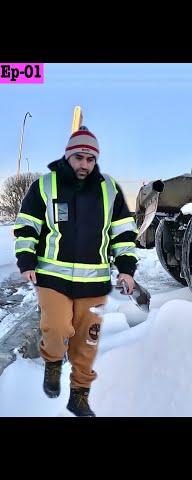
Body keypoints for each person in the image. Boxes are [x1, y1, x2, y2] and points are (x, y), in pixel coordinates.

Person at [13, 126, 138, 417]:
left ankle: (79, 395)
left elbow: (122, 234)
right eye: (79, 157)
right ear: (68, 156)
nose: (84, 164)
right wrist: (26, 261)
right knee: (56, 330)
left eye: (90, 159)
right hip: (52, 279)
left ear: (96, 161)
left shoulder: (109, 190)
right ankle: (53, 363)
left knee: (87, 341)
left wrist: (127, 270)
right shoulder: (45, 185)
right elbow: (27, 226)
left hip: (93, 284)